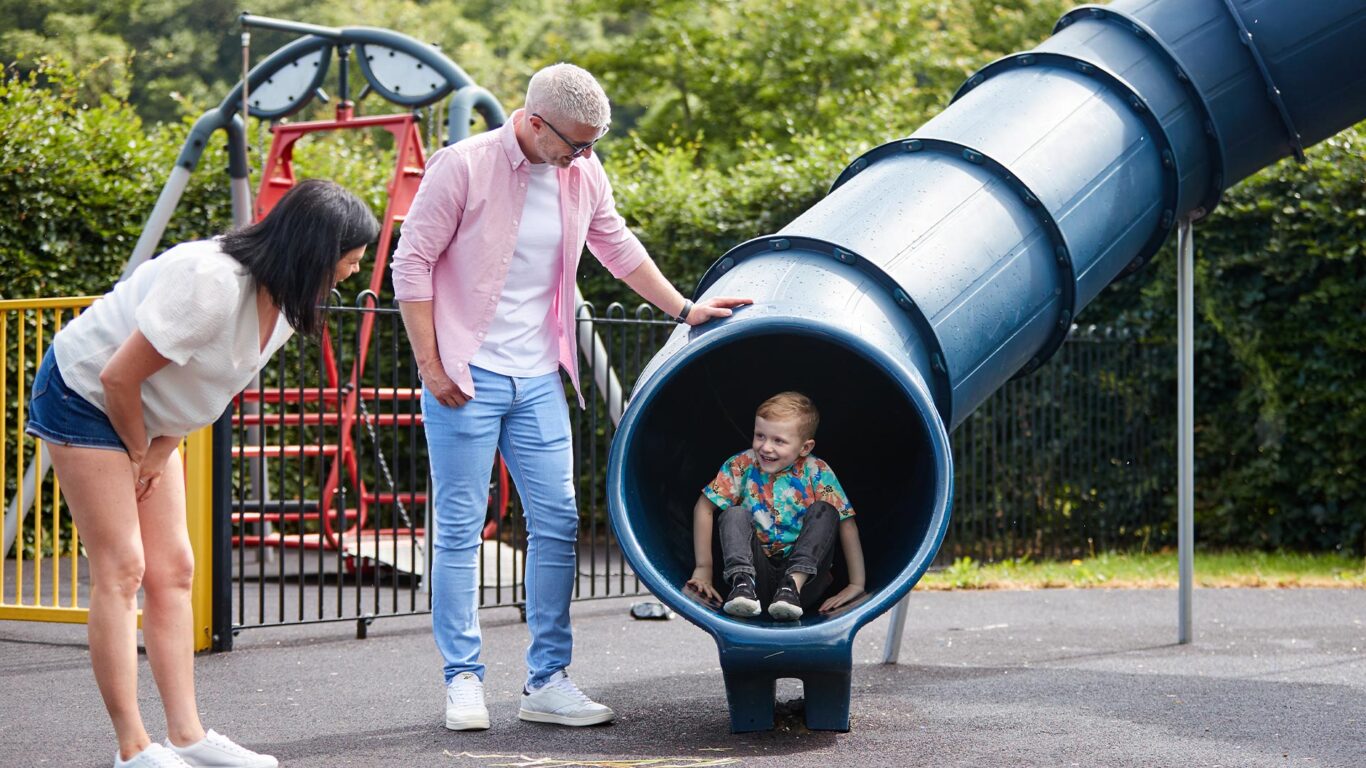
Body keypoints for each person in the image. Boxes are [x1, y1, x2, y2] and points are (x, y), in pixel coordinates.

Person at [391, 62, 749, 731]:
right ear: (531, 122)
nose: (581, 157)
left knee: (557, 524)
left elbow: (615, 244)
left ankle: (547, 680)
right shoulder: (462, 166)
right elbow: (409, 262)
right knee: (461, 530)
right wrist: (430, 365)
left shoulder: (582, 173)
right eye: (574, 144)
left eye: (591, 146)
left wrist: (684, 309)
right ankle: (463, 680)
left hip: (537, 379)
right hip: (465, 375)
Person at [27, 179, 379, 768]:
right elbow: (117, 377)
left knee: (175, 570)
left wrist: (161, 449)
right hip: (83, 393)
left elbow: (212, 386)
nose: (355, 268)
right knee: (123, 569)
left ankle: (187, 736)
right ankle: (132, 749)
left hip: (147, 418)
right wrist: (140, 448)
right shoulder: (211, 282)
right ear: (314, 249)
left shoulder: (289, 303)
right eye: (350, 255)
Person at [685, 392, 866, 621]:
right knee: (734, 513)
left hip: (806, 583)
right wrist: (704, 569)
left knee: (827, 511)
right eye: (760, 435)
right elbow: (704, 508)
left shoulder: (817, 471)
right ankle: (742, 584)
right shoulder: (741, 465)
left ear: (805, 447)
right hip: (756, 576)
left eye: (778, 441)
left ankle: (792, 586)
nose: (766, 447)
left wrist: (856, 583)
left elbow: (847, 525)